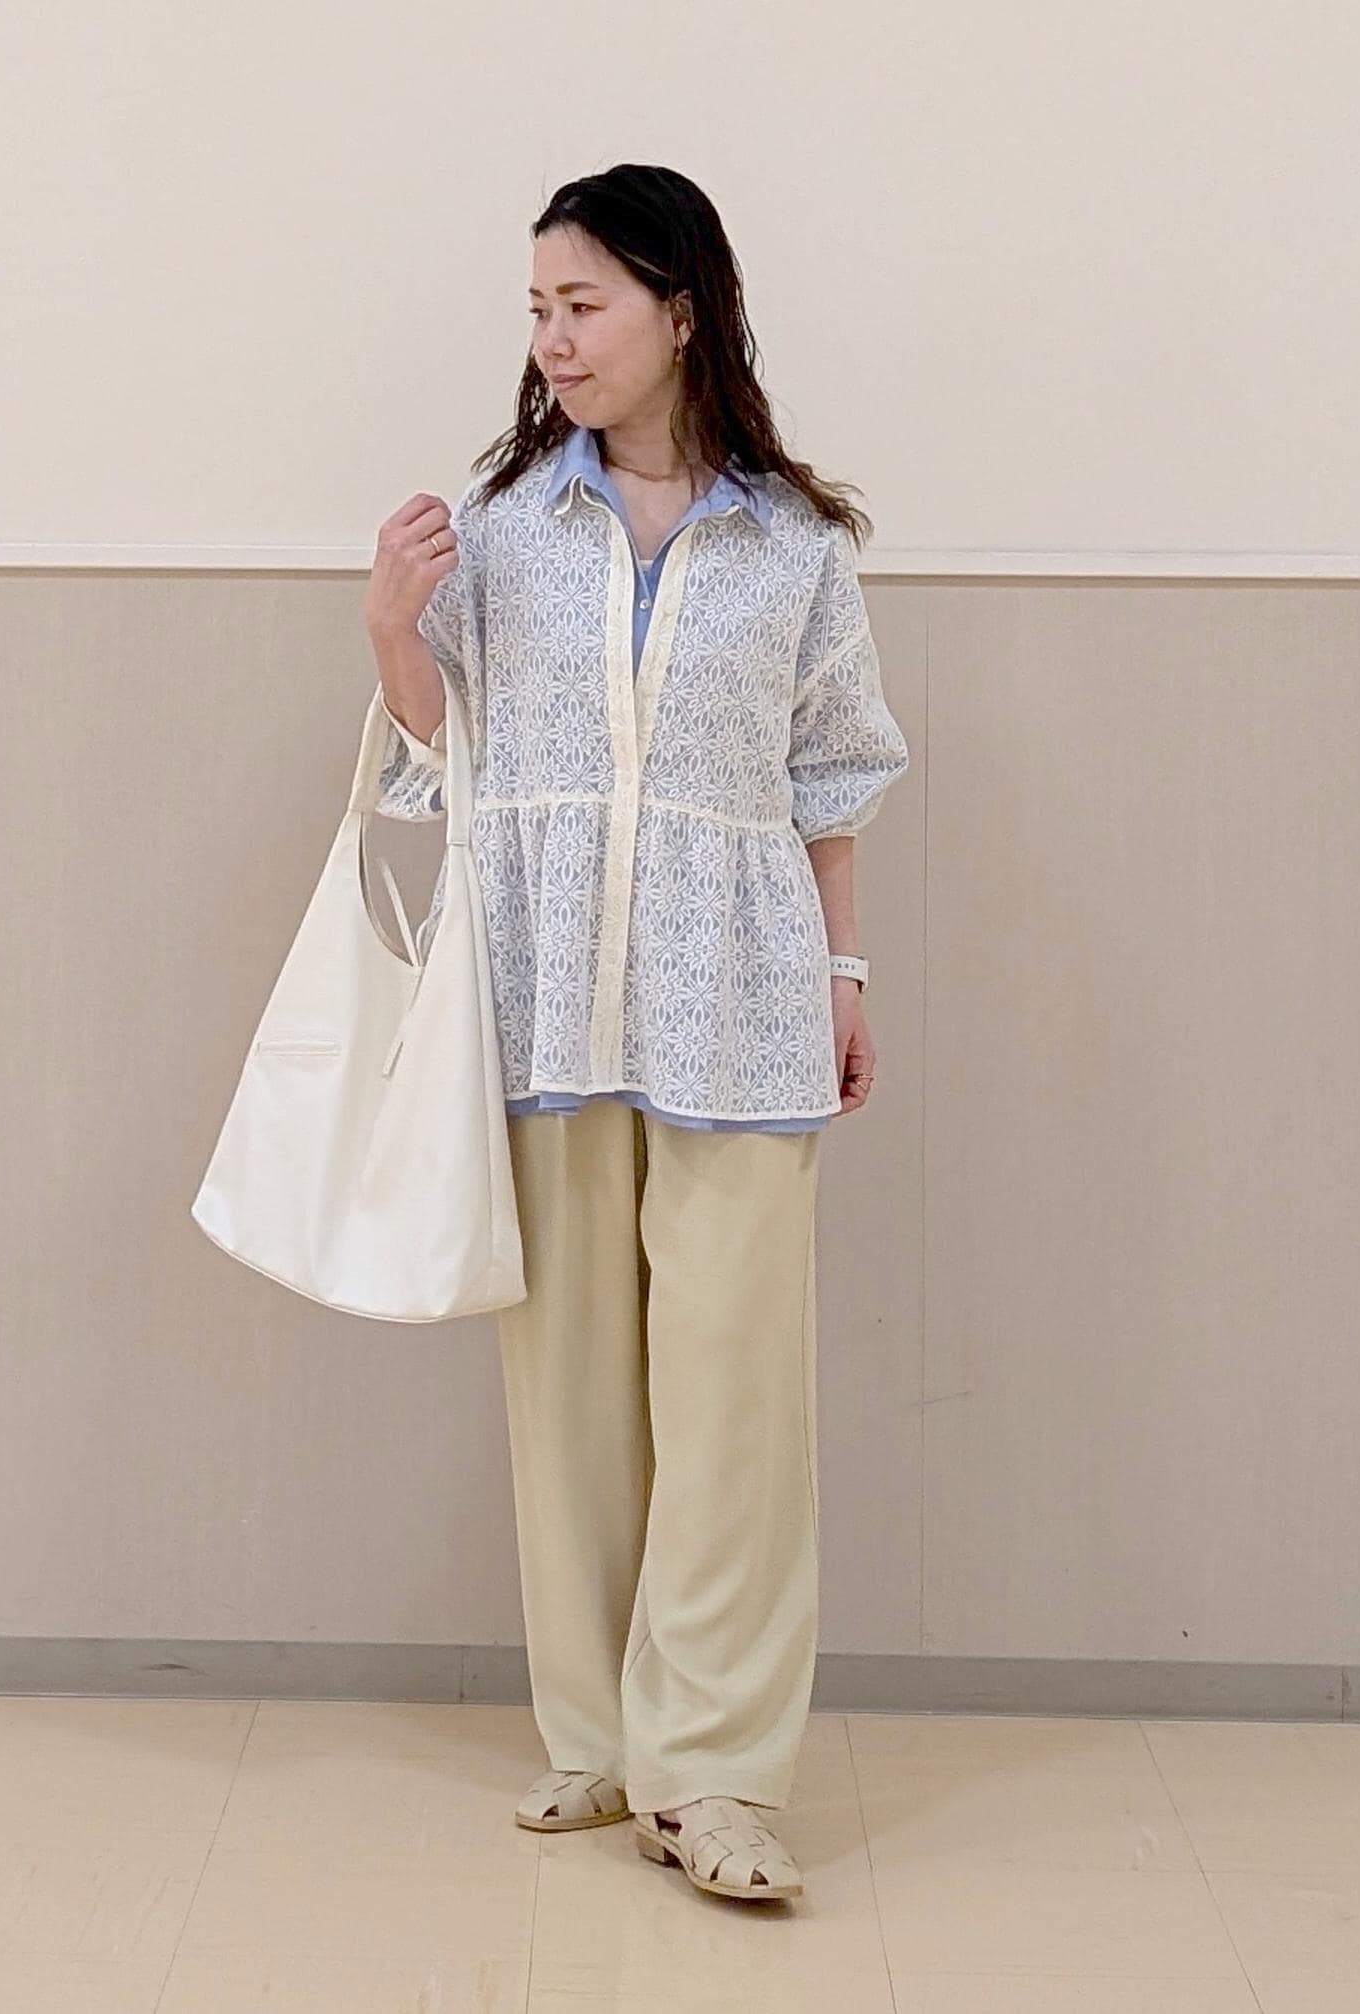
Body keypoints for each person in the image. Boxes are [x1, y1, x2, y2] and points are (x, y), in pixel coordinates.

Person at [364, 164, 908, 1904]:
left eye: (582, 302)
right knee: (571, 1396)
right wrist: (390, 625)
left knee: (735, 1402)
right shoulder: (503, 522)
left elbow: (830, 777)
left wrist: (844, 976)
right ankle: (599, 1739)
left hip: (740, 998)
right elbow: (437, 758)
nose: (553, 336)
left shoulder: (792, 542)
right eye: (537, 307)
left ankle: (717, 1771)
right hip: (549, 1002)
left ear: (680, 311)